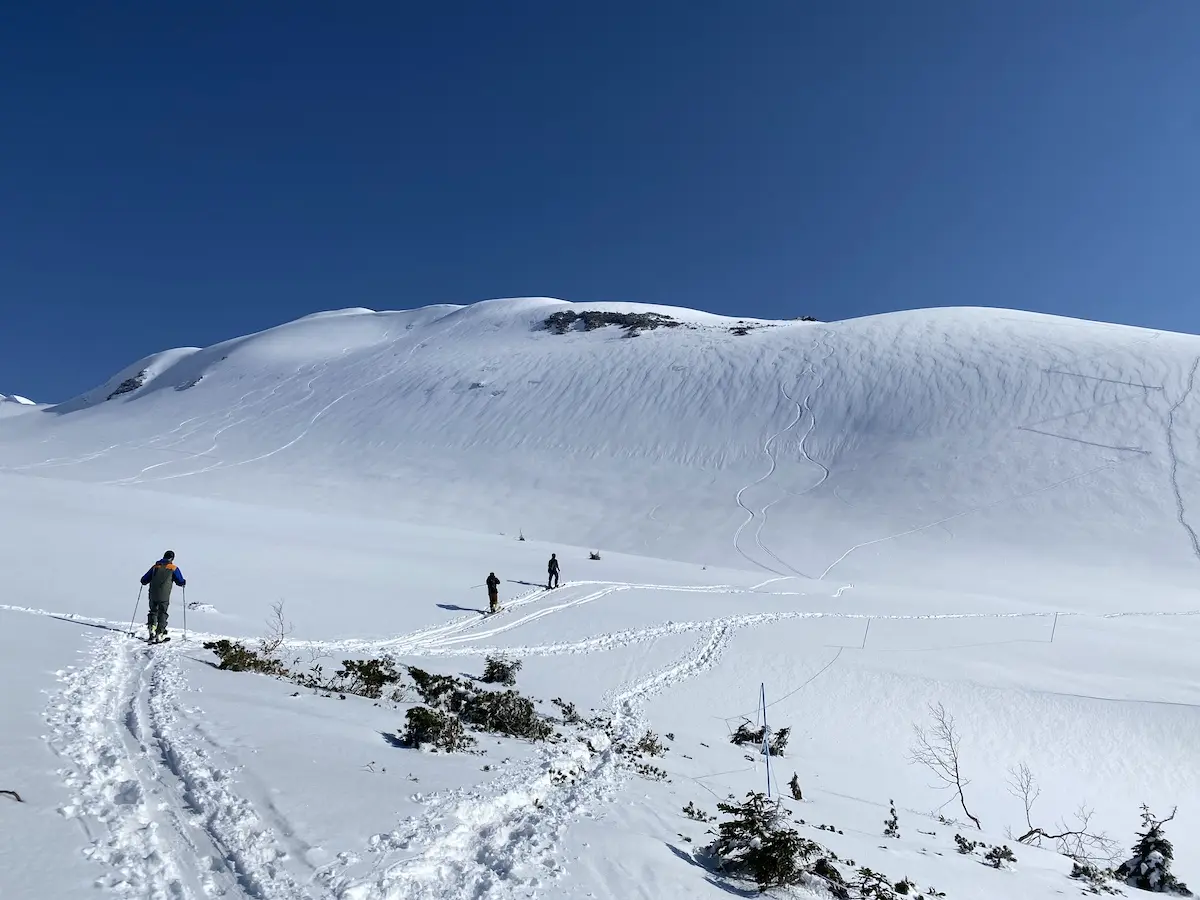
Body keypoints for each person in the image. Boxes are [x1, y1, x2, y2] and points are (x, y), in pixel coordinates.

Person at [140, 550, 186, 642]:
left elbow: (144, 579)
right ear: (172, 558)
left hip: (153, 593)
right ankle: (159, 633)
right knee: (162, 613)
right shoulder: (173, 568)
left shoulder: (155, 567)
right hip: (164, 595)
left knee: (153, 611)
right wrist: (183, 582)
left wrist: (144, 581)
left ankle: (152, 628)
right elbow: (179, 581)